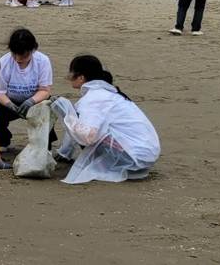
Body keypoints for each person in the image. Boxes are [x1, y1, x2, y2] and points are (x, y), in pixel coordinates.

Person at [52, 55, 160, 184]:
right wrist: (64, 152)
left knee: (80, 124)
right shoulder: (108, 93)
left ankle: (111, 164)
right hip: (146, 156)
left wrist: (65, 114)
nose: (69, 77)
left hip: (134, 159)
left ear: (81, 78)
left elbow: (88, 137)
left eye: (71, 74)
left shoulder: (94, 98)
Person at [0, 29, 54, 153]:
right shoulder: (4, 62)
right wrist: (9, 104)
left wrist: (31, 101)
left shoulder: (42, 61)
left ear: (33, 49)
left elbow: (45, 90)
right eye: (14, 55)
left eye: (23, 55)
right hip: (9, 100)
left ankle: (46, 146)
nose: (18, 59)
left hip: (34, 100)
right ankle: (1, 140)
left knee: (46, 110)